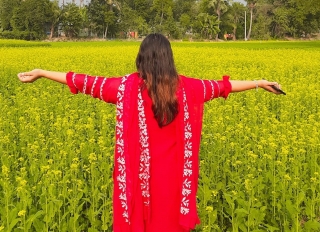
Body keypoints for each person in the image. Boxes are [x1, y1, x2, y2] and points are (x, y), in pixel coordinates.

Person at [18, 33, 283, 232]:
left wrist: (42, 72)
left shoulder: (125, 88)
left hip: (139, 186)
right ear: (169, 59)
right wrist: (259, 83)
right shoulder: (189, 88)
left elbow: (84, 81)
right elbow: (223, 86)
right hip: (173, 186)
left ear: (141, 58)